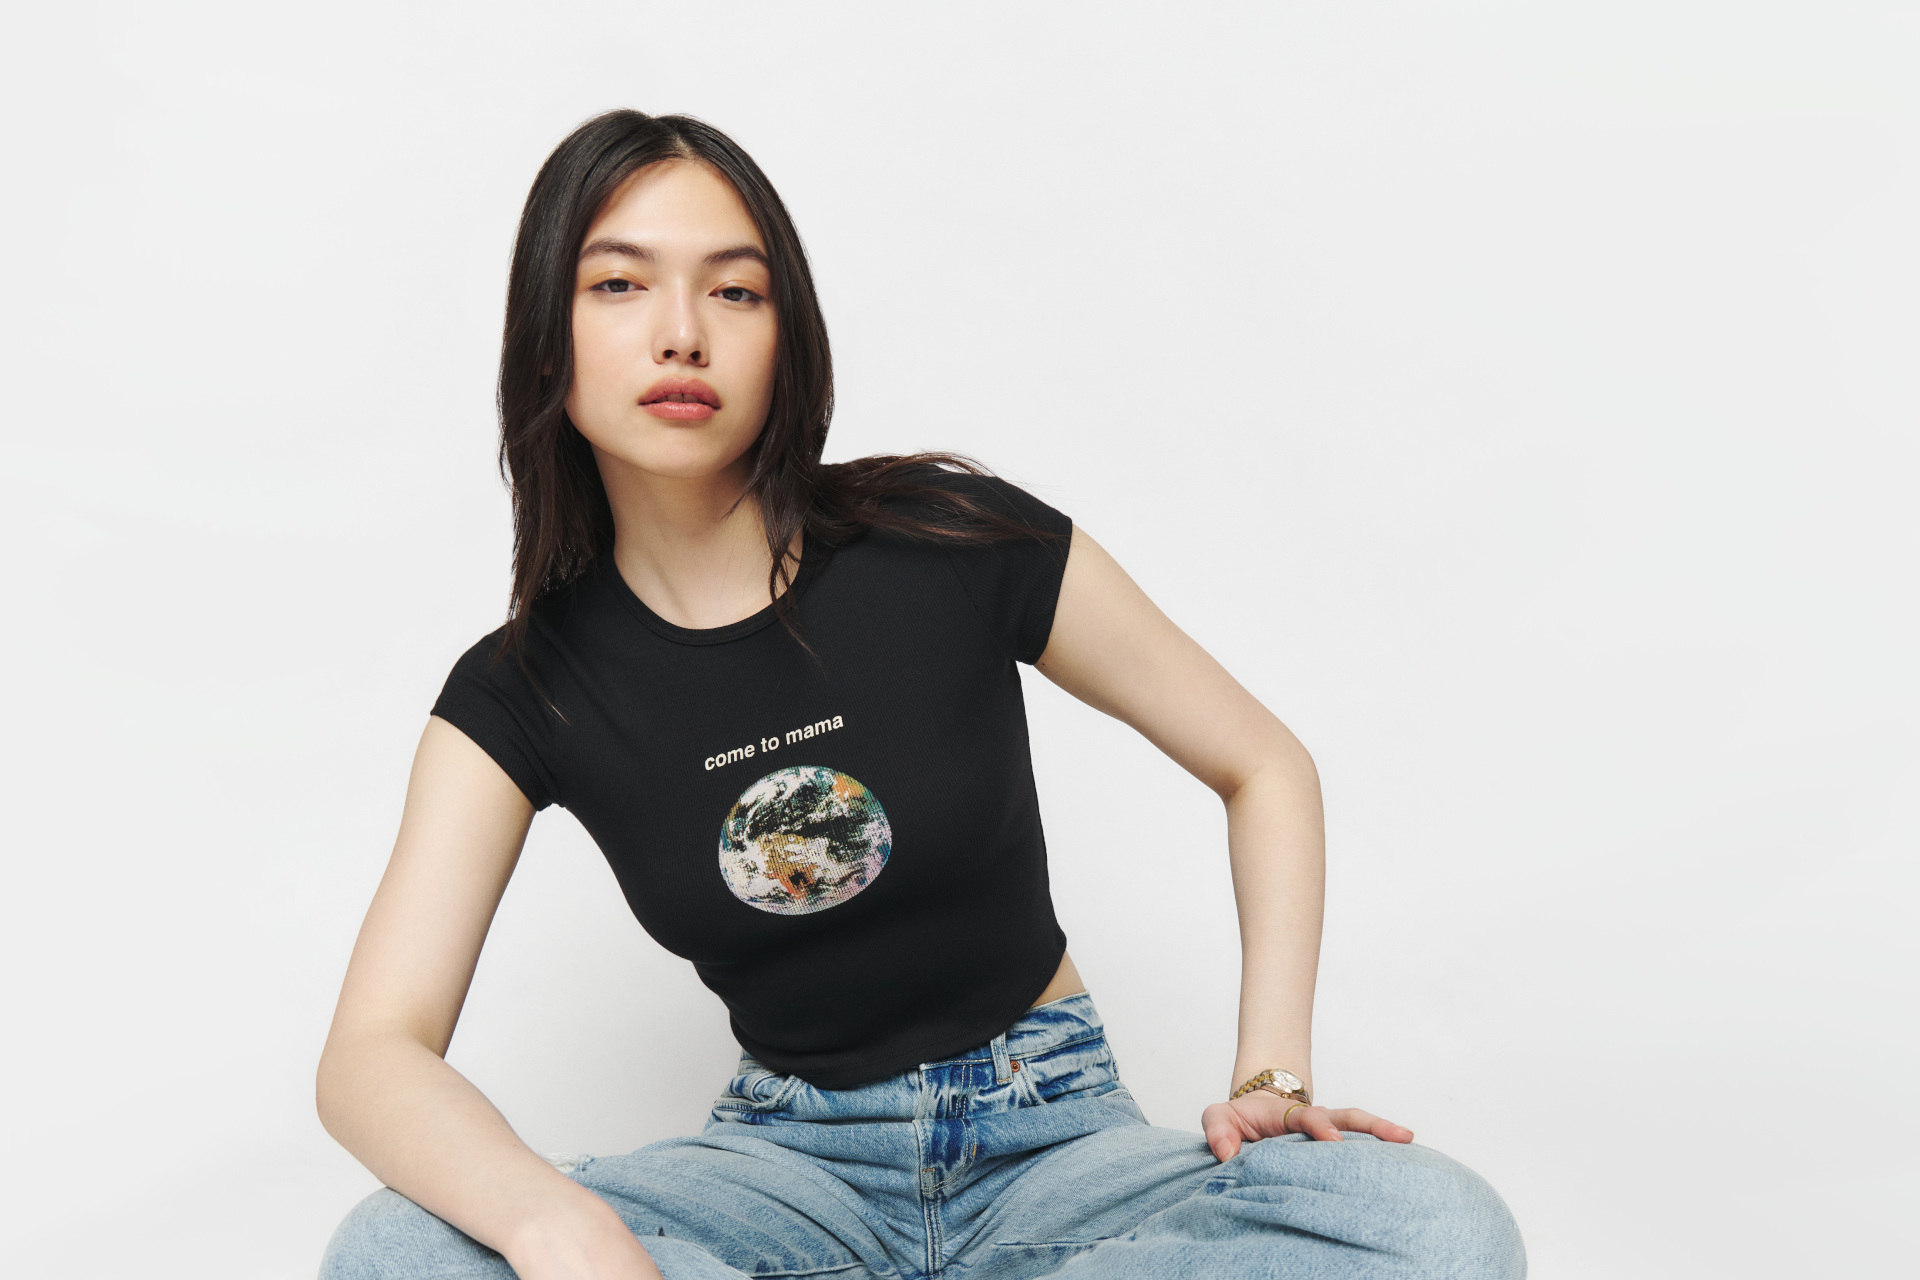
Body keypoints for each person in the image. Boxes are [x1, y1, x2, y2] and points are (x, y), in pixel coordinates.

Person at [316, 109, 1525, 1280]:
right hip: (784, 1173)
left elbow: (1264, 763)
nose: (681, 332)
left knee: (1433, 1230)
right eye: (619, 285)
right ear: (545, 340)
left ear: (786, 338)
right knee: (394, 1249)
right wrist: (550, 1225)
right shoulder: (522, 688)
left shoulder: (951, 540)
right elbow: (372, 1052)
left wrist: (1272, 1079)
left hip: (1054, 1141)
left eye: (735, 291)